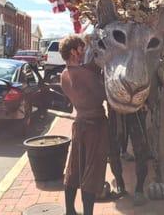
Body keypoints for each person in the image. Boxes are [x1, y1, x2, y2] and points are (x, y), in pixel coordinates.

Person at [60, 35, 108, 215]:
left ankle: (70, 210)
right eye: (81, 49)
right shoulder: (86, 74)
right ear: (73, 51)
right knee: (92, 170)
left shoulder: (64, 74)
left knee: (74, 167)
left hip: (79, 123)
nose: (84, 53)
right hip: (94, 125)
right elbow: (104, 94)